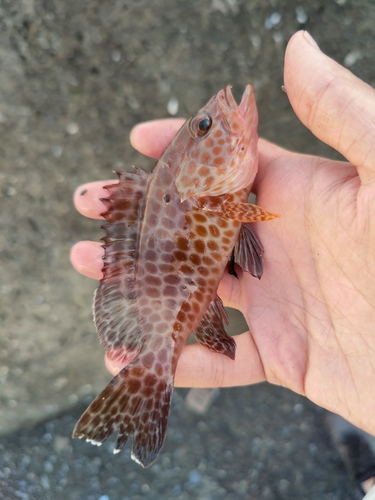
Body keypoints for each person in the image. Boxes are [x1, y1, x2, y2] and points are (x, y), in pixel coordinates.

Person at [70, 31, 375, 496]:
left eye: (201, 126)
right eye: (204, 128)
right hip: (178, 305)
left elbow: (238, 225)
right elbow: (240, 222)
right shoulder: (218, 200)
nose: (216, 115)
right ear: (189, 169)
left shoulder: (216, 197)